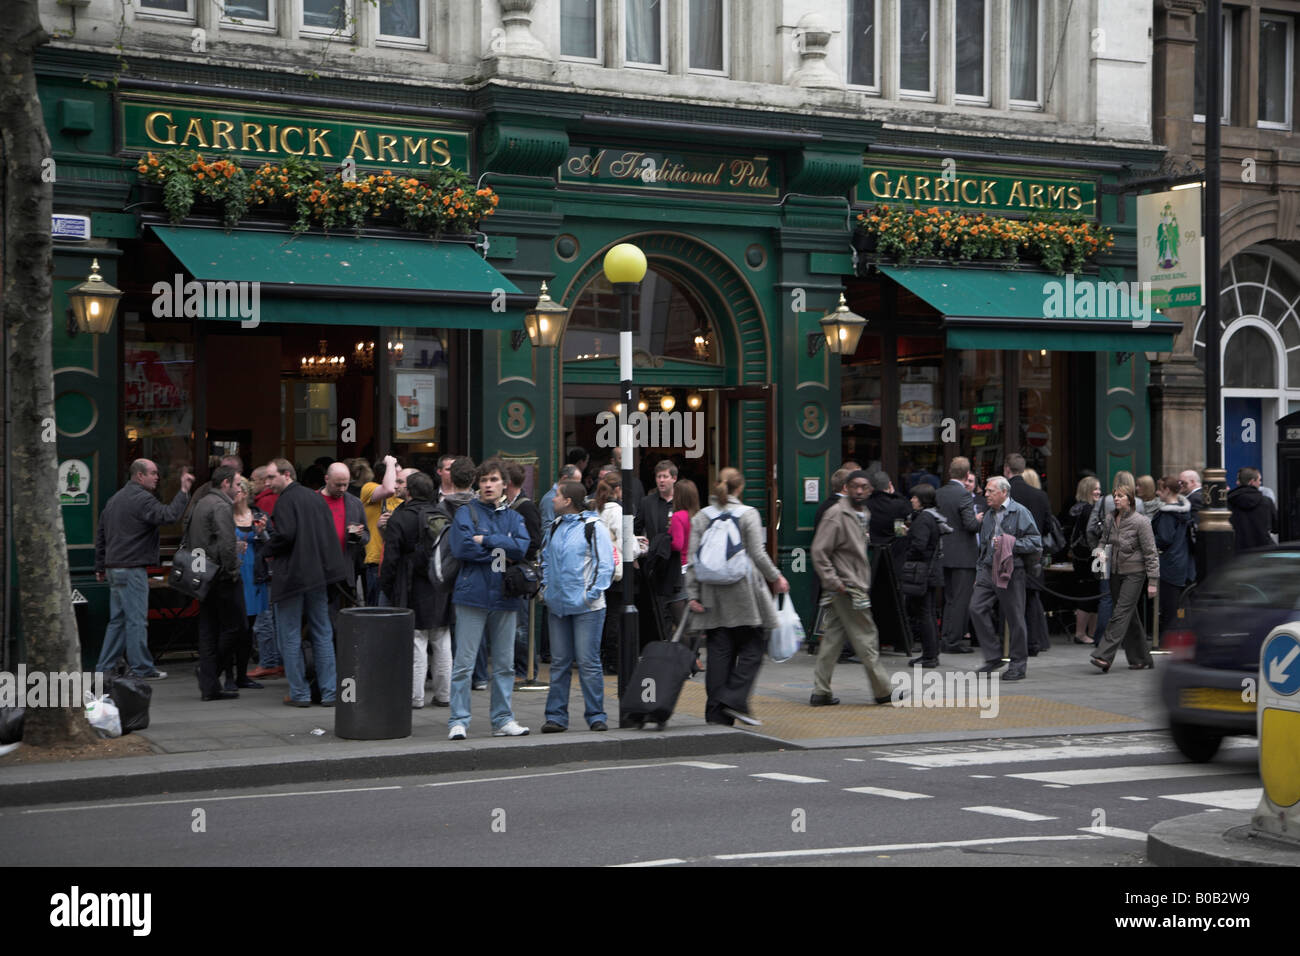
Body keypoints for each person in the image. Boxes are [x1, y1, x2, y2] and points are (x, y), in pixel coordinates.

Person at [686, 468, 788, 725]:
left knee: (720, 651)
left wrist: (693, 594)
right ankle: (734, 698)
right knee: (753, 648)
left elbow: (692, 558)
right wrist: (776, 577)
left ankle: (716, 716)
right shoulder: (747, 514)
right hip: (745, 595)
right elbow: (757, 553)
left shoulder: (701, 517)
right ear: (739, 488)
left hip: (711, 595)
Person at [446, 459, 532, 739]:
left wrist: (487, 540)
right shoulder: (465, 513)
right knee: (464, 663)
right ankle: (458, 720)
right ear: (476, 484)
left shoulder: (514, 517)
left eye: (493, 480)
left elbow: (521, 548)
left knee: (505, 664)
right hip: (472, 594)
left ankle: (503, 719)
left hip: (504, 595)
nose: (487, 485)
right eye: (483, 480)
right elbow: (461, 548)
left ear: (504, 483)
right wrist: (498, 548)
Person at [94, 459, 194, 680]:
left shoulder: (114, 500)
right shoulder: (142, 499)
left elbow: (101, 534)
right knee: (137, 620)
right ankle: (142, 668)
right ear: (139, 476)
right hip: (131, 569)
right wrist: (184, 491)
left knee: (118, 621)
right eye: (153, 473)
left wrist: (100, 565)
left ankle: (104, 668)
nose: (157, 477)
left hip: (114, 568)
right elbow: (168, 516)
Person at [266, 458, 351, 707]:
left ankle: (300, 693)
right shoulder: (315, 498)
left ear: (286, 475)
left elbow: (286, 535)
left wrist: (266, 547)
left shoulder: (285, 501)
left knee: (289, 635)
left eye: (271, 477)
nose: (267, 483)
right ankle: (330, 692)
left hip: (293, 576)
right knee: (322, 631)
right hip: (319, 575)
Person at [809, 470, 895, 705]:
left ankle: (821, 691)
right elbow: (819, 551)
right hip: (848, 587)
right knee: (867, 638)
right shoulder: (836, 514)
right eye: (855, 486)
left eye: (864, 487)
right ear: (846, 487)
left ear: (870, 490)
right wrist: (835, 582)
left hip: (846, 586)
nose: (859, 491)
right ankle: (883, 690)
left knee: (833, 639)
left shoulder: (863, 513)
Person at [539, 480, 615, 733]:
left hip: (587, 608)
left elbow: (606, 565)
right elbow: (545, 560)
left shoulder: (594, 527)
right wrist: (547, 590)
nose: (552, 499)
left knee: (588, 662)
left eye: (557, 495)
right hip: (559, 605)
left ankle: (596, 715)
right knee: (560, 663)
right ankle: (556, 717)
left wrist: (589, 596)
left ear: (568, 500)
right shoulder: (555, 526)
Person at [379, 471, 445, 709]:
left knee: (417, 641)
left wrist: (387, 585)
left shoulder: (400, 518)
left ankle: (415, 697)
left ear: (409, 491)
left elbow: (391, 558)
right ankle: (444, 694)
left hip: (410, 585)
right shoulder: (442, 514)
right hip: (440, 584)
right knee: (442, 639)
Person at [969, 476, 1042, 682]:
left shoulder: (1020, 512)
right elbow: (983, 546)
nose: (986, 494)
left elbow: (1035, 542)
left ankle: (1018, 664)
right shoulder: (989, 515)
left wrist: (1009, 543)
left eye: (991, 491)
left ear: (1004, 492)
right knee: (976, 608)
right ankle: (993, 657)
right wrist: (978, 572)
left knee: (1015, 617)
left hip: (1011, 570)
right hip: (987, 568)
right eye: (987, 491)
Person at [185, 465, 244, 701]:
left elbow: (190, 535)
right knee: (237, 627)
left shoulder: (201, 502)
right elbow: (227, 545)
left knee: (208, 631)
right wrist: (232, 571)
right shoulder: (221, 505)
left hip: (202, 573)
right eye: (238, 484)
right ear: (226, 483)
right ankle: (208, 676)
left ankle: (210, 686)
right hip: (219, 575)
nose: (240, 489)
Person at [1090, 481, 1159, 672]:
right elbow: (1103, 540)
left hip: (1134, 574)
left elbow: (1150, 552)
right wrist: (1099, 552)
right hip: (1114, 572)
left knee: (1120, 613)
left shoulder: (1141, 521)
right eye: (1115, 496)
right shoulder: (1111, 518)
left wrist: (1152, 581)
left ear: (1130, 499)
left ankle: (1103, 655)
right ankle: (1141, 659)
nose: (1116, 499)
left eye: (1120, 496)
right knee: (1129, 615)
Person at [1006, 452, 1052, 655]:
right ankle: (1033, 643)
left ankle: (1012, 643)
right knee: (1032, 599)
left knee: (1010, 601)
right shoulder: (1039, 496)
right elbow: (1048, 527)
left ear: (1007, 469)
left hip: (1008, 554)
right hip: (1033, 555)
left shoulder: (1004, 494)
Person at [594, 474, 641, 674]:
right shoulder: (617, 511)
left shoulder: (597, 509)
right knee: (615, 615)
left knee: (604, 615)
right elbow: (628, 543)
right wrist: (640, 549)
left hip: (601, 567)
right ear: (618, 490)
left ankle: (603, 655)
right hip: (617, 570)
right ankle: (613, 660)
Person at [901, 484, 949, 668]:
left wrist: (908, 547)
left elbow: (920, 546)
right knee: (926, 611)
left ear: (922, 500)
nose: (912, 500)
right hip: (931, 570)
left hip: (922, 571)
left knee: (924, 613)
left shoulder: (923, 519)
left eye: (914, 497)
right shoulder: (931, 517)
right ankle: (931, 653)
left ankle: (929, 656)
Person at [936, 457, 979, 655]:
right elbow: (970, 525)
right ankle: (953, 641)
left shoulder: (940, 493)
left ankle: (946, 637)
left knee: (949, 599)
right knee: (960, 600)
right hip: (963, 555)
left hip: (945, 552)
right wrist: (980, 519)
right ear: (965, 474)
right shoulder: (964, 495)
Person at [228, 477, 267, 691]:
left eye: (235, 490)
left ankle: (242, 674)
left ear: (243, 493)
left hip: (254, 574)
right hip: (234, 575)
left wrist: (263, 534)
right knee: (234, 626)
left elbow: (272, 544)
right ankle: (228, 674)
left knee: (248, 627)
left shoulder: (258, 515)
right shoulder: (224, 516)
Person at [505, 462, 543, 681]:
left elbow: (534, 541)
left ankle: (526, 670)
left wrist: (514, 554)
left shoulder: (525, 507)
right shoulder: (507, 506)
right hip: (509, 571)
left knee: (521, 625)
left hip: (520, 573)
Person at [1151, 476, 1195, 636]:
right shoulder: (1184, 511)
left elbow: (1164, 538)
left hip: (1170, 563)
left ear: (1167, 490)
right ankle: (1182, 634)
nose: (1157, 492)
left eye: (1159, 489)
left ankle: (1171, 638)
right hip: (1183, 563)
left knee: (1170, 605)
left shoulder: (1167, 514)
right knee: (1181, 605)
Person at [321, 462, 369, 602]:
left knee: (343, 616)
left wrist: (360, 535)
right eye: (338, 485)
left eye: (346, 484)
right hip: (319, 571)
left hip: (344, 572)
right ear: (327, 479)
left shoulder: (355, 503)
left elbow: (367, 535)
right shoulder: (313, 500)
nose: (342, 489)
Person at [1064, 476, 1102, 644]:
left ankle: (1090, 632)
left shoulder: (1075, 509)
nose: (1099, 492)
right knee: (1089, 593)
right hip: (1088, 556)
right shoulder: (1089, 510)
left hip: (1080, 557)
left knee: (1091, 593)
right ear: (1087, 490)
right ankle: (1082, 633)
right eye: (1095, 489)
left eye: (1099, 489)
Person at [359, 455, 398, 606]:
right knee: (375, 610)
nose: (398, 481)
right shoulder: (369, 488)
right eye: (395, 475)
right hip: (376, 561)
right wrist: (390, 462)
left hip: (396, 562)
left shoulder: (402, 497)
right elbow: (388, 489)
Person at [1227, 466, 1278, 551]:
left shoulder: (1230, 501)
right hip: (1262, 549)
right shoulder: (1266, 501)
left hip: (1238, 550)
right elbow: (1275, 527)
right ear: (1252, 482)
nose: (1260, 483)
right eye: (1259, 480)